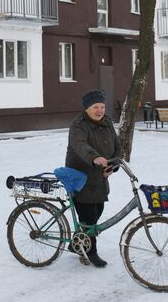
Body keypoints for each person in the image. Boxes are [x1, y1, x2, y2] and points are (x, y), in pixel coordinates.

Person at [65, 89, 122, 268]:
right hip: (81, 175)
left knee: (97, 210)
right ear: (87, 108)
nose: (100, 110)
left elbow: (116, 145)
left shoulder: (107, 122)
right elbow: (80, 145)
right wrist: (94, 157)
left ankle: (77, 243)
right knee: (89, 217)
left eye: (102, 106)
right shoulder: (78, 125)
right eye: (95, 107)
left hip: (99, 176)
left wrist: (113, 164)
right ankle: (91, 252)